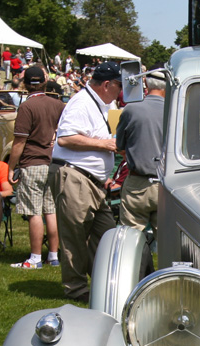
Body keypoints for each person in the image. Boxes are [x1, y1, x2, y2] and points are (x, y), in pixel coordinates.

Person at [49, 60, 121, 302]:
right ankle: (76, 288)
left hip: (93, 181)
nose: (120, 92)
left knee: (108, 234)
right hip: (75, 176)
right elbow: (66, 138)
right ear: (107, 84)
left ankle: (104, 282)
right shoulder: (81, 103)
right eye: (118, 86)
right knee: (75, 235)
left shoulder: (104, 103)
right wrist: (104, 144)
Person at [6, 66, 65, 269]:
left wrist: (10, 167)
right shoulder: (58, 104)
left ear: (25, 83)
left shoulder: (26, 107)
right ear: (44, 82)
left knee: (34, 212)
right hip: (53, 163)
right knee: (51, 210)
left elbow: (19, 142)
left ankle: (35, 257)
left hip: (32, 163)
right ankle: (54, 255)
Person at [115, 69, 166, 277]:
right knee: (168, 241)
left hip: (138, 182)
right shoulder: (178, 110)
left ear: (146, 84)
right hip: (166, 184)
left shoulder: (132, 110)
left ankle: (135, 281)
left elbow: (120, 146)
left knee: (131, 240)